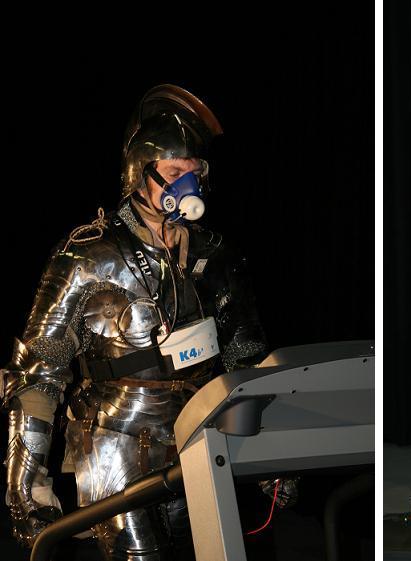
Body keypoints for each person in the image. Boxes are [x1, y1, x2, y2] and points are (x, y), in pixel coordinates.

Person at [0, 84, 290, 559]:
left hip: (202, 434)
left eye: (193, 173)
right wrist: (24, 487)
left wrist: (277, 449)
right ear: (140, 172)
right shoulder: (88, 254)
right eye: (174, 172)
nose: (186, 185)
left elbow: (247, 356)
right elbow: (39, 372)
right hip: (117, 439)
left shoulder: (214, 254)